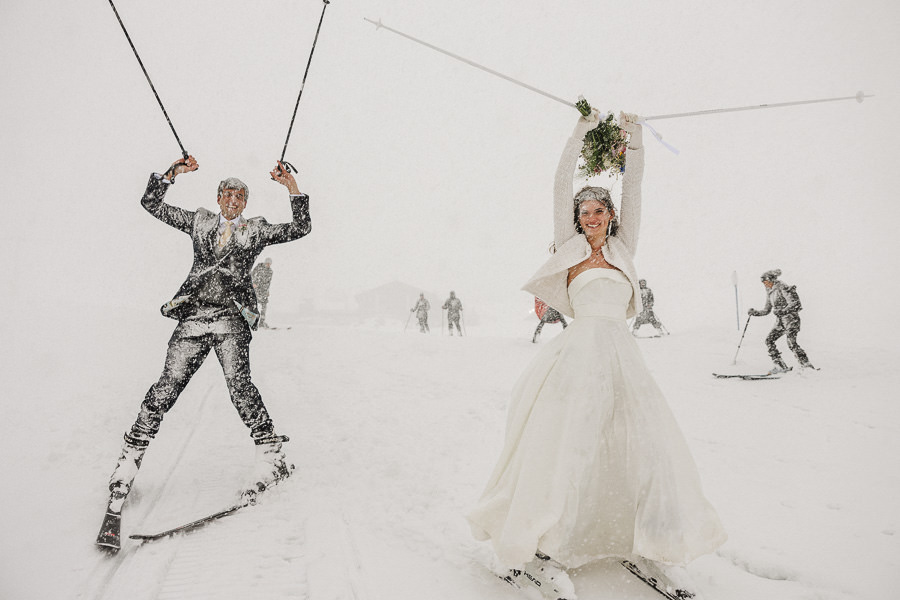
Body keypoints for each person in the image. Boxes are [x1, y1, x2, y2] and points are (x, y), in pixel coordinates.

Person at [466, 111, 726, 599]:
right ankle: (544, 545)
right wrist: (580, 133)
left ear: (610, 216)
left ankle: (633, 535)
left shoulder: (625, 248)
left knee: (635, 441)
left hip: (622, 356)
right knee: (568, 442)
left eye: (599, 211)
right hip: (579, 354)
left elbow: (636, 191)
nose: (591, 217)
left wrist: (636, 143)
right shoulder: (569, 249)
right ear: (576, 217)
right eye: (584, 211)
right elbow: (561, 181)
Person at [98, 156, 312, 550]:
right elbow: (152, 205)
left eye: (239, 196)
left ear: (245, 203)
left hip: (232, 319)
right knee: (166, 386)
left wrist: (291, 189)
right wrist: (171, 174)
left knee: (239, 387)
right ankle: (129, 459)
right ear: (217, 199)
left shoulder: (256, 230)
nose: (233, 201)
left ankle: (272, 454)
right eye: (227, 195)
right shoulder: (198, 221)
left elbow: (302, 227)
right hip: (194, 318)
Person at [748, 269, 814, 374]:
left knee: (791, 342)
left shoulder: (782, 287)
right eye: (763, 282)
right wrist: (755, 313)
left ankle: (806, 364)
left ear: (772, 280)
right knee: (769, 340)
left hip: (791, 319)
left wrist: (783, 311)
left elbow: (795, 303)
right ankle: (779, 365)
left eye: (766, 281)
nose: (764, 284)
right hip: (781, 321)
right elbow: (767, 310)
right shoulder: (770, 292)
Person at [251, 257, 274, 328]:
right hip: (256, 288)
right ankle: (253, 321)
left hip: (263, 290)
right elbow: (252, 275)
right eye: (267, 263)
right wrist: (253, 283)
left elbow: (268, 283)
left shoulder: (270, 271)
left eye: (269, 264)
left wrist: (267, 291)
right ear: (264, 263)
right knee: (254, 304)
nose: (268, 265)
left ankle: (261, 322)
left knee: (264, 305)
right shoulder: (258, 267)